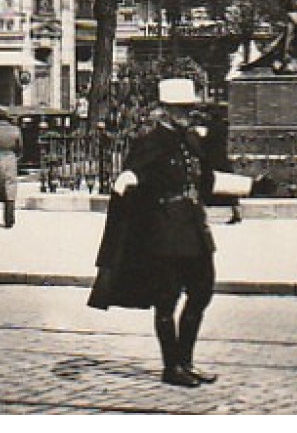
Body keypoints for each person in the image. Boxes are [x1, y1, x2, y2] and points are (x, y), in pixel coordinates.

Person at [89, 80, 219, 388]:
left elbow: (206, 181)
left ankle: (186, 361)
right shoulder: (152, 140)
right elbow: (135, 172)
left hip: (194, 229)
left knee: (202, 292)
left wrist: (247, 188)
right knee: (167, 300)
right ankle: (171, 366)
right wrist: (127, 180)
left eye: (190, 108)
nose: (188, 113)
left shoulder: (191, 140)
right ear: (166, 110)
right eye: (182, 109)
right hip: (165, 232)